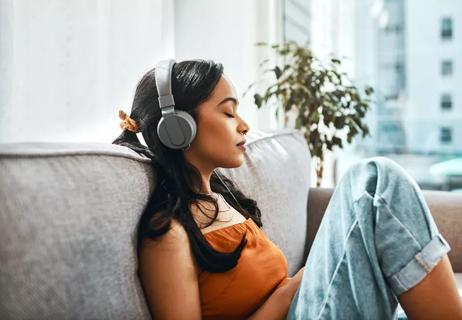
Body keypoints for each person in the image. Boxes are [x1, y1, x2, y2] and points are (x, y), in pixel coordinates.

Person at [112, 59, 462, 319]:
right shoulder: (168, 236)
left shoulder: (223, 200)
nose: (245, 125)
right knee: (374, 182)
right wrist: (287, 293)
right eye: (229, 113)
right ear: (178, 129)